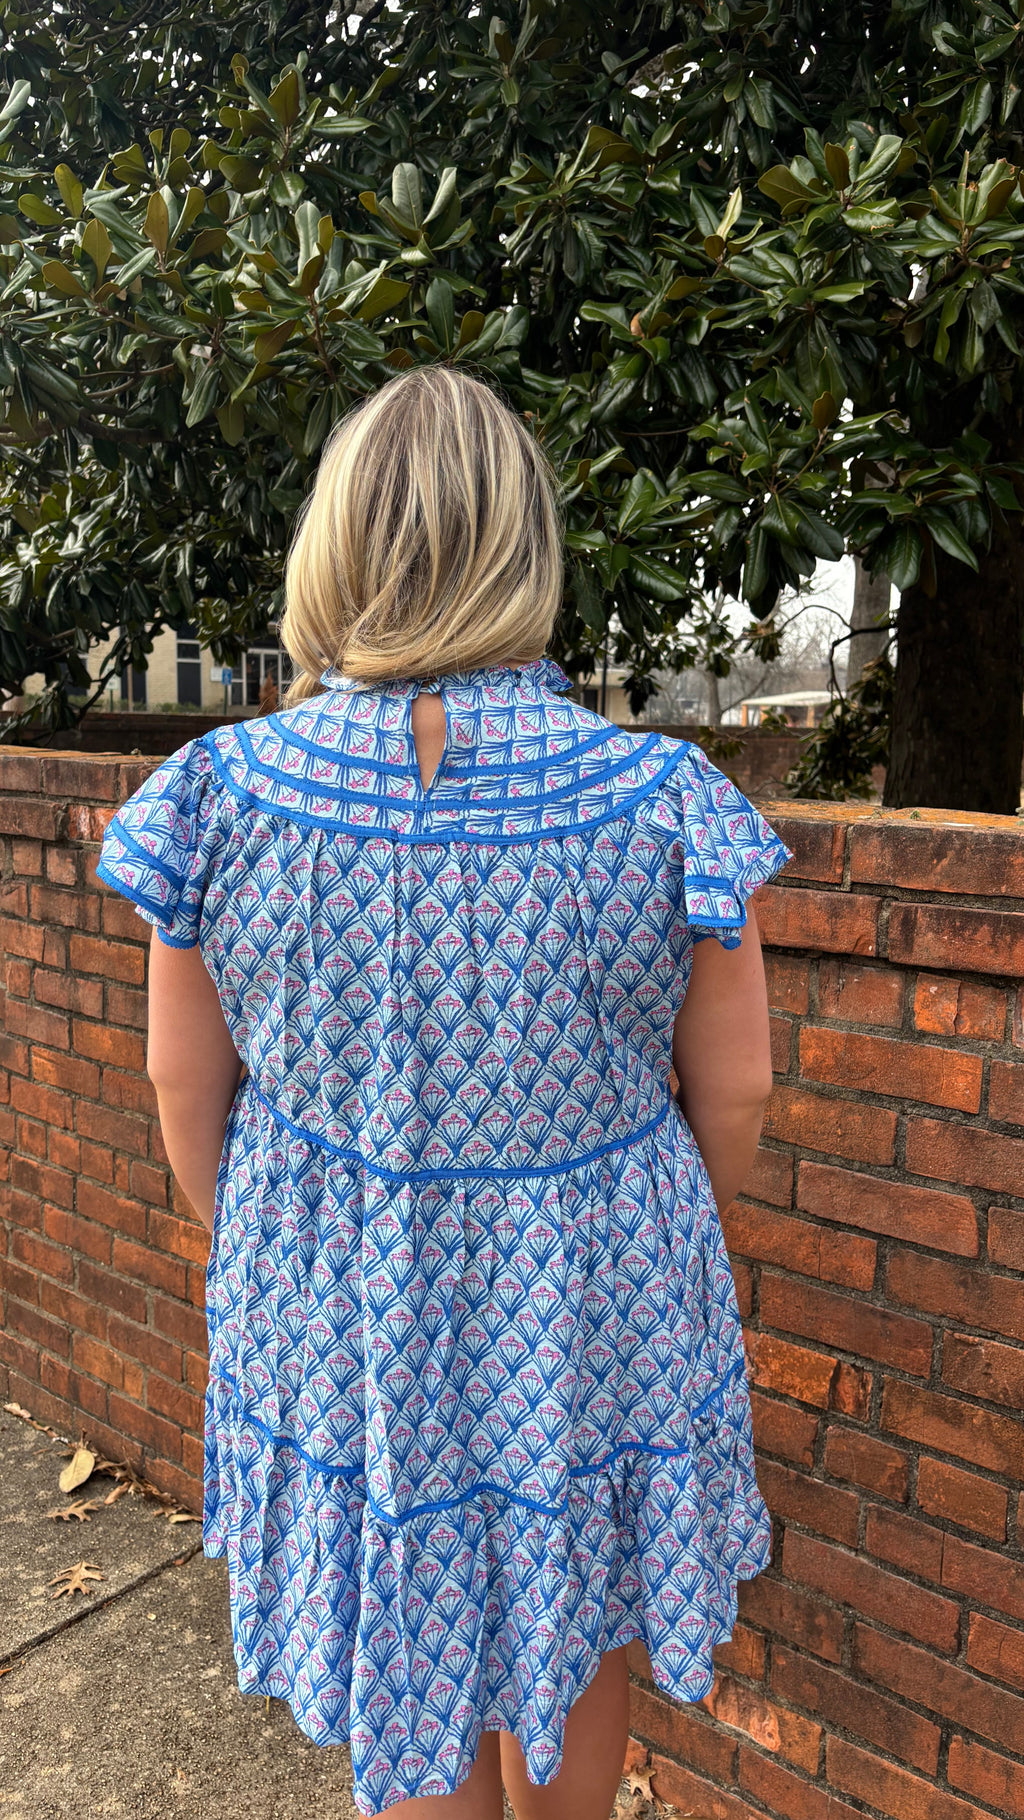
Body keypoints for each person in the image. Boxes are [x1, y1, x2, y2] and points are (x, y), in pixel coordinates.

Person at [96, 366, 792, 1820]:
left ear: (337, 544)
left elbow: (183, 1092)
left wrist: (297, 1245)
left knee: (403, 1622)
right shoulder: (659, 796)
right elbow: (735, 1094)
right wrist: (626, 1227)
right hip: (591, 1305)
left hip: (346, 1305)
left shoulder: (222, 793)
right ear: (523, 545)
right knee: (571, 1602)